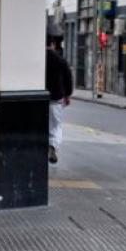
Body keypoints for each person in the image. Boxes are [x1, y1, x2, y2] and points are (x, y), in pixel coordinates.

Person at [45, 23, 74, 164]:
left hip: (40, 99)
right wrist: (68, 94)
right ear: (53, 43)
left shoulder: (39, 59)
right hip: (56, 98)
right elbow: (68, 77)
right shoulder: (60, 60)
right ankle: (52, 146)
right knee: (56, 125)